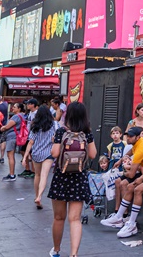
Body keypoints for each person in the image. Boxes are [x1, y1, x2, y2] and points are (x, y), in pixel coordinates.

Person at [47, 101, 97, 257]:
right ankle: (74, 254)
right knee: (75, 219)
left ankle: (56, 250)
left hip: (61, 177)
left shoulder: (62, 132)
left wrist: (56, 142)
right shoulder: (87, 133)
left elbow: (54, 154)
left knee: (58, 217)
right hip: (79, 178)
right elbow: (93, 154)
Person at [24, 105, 57, 209]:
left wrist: (25, 157)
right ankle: (39, 196)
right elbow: (57, 137)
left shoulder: (35, 125)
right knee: (44, 175)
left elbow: (30, 142)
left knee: (37, 175)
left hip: (36, 153)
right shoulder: (54, 124)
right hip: (48, 153)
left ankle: (36, 196)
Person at [0, 101, 27, 180]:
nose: (13, 108)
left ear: (19, 108)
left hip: (12, 137)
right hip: (17, 136)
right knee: (11, 155)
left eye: (14, 107)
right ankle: (11, 174)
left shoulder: (16, 116)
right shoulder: (23, 116)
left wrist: (2, 128)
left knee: (10, 155)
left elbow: (7, 126)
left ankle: (12, 174)